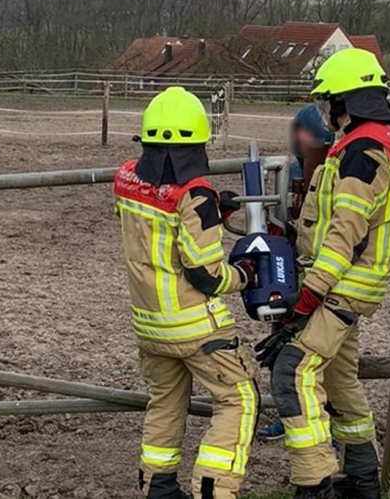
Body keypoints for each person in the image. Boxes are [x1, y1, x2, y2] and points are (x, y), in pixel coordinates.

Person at [257, 49, 390, 499]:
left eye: (329, 101)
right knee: (340, 382)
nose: (325, 110)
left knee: (292, 370)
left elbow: (346, 232)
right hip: (342, 285)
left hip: (340, 288)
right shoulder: (371, 142)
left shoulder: (364, 151)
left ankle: (314, 482)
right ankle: (363, 481)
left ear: (347, 101)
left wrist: (309, 298)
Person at [114, 86, 260, 499]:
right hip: (196, 327)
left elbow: (157, 218)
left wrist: (214, 208)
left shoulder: (124, 179)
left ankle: (158, 489)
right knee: (239, 399)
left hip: (150, 326)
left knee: (165, 402)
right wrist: (245, 275)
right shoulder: (194, 196)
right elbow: (208, 276)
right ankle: (214, 490)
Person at [258, 103, 333, 442]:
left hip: (321, 281)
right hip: (289, 275)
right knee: (283, 345)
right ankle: (287, 415)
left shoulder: (332, 177)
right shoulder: (289, 174)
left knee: (314, 360)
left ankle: (320, 427)